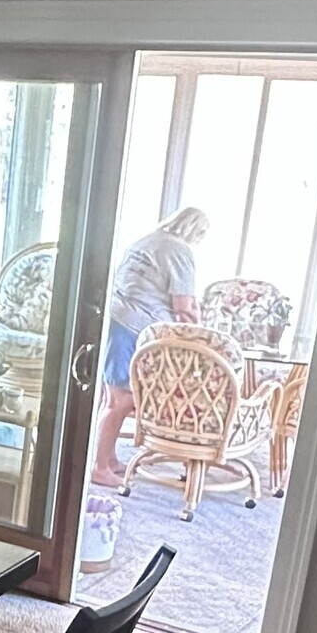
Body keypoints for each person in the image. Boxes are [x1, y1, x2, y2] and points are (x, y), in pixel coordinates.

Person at [90, 206, 208, 485]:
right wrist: (198, 321)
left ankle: (108, 459)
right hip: (135, 328)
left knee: (112, 398)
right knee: (120, 401)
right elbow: (183, 306)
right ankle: (98, 468)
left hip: (115, 319)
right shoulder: (180, 250)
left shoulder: (146, 241)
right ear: (196, 231)